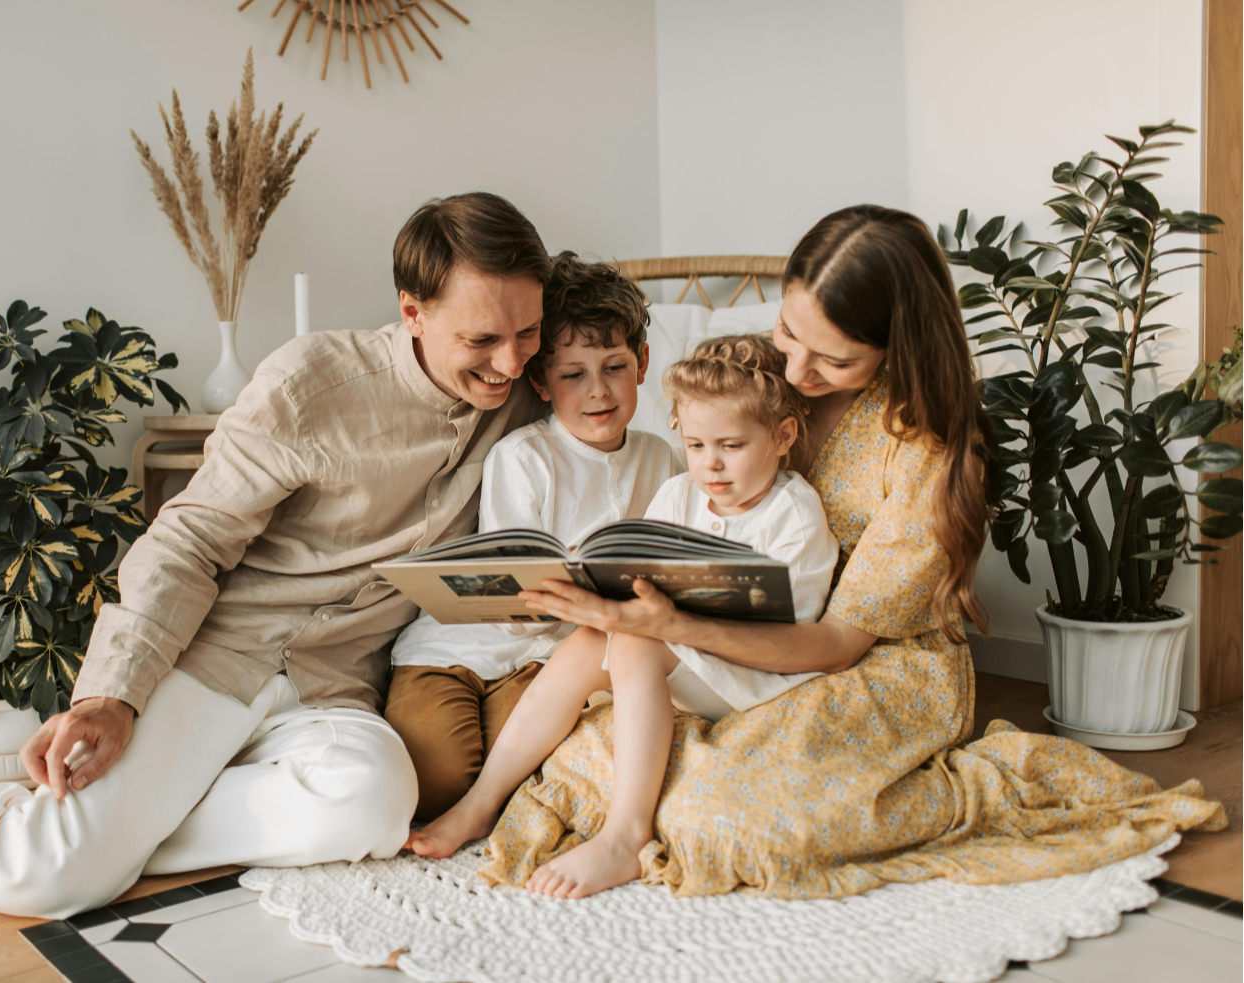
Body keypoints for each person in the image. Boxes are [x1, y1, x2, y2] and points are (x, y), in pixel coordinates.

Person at [0, 192, 551, 918]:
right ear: (412, 311)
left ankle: (112, 837)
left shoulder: (531, 393)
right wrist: (112, 693)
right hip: (215, 658)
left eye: (528, 333)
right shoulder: (311, 383)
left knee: (371, 805)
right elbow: (188, 539)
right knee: (49, 878)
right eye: (481, 339)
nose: (511, 362)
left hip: (333, 688)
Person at [476, 204, 1223, 900]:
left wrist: (671, 625)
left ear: (896, 348)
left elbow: (837, 643)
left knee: (726, 820)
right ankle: (621, 809)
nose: (796, 371)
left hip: (865, 660)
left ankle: (930, 790)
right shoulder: (761, 380)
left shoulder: (928, 452)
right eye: (787, 332)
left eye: (831, 360)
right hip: (729, 634)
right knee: (592, 741)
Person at [406, 336, 839, 900]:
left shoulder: (794, 513)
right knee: (591, 638)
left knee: (634, 641)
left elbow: (787, 636)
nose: (710, 464)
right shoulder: (679, 493)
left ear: (782, 436)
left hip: (753, 674)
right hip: (688, 661)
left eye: (732, 446)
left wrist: (659, 622)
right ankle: (482, 803)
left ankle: (626, 835)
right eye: (695, 444)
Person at [385, 252, 677, 822]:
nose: (598, 391)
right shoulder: (524, 457)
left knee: (522, 770)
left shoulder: (660, 459)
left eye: (614, 367)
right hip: (457, 649)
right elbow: (509, 599)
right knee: (436, 779)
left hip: (548, 662)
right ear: (541, 381)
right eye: (573, 375)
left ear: (642, 363)